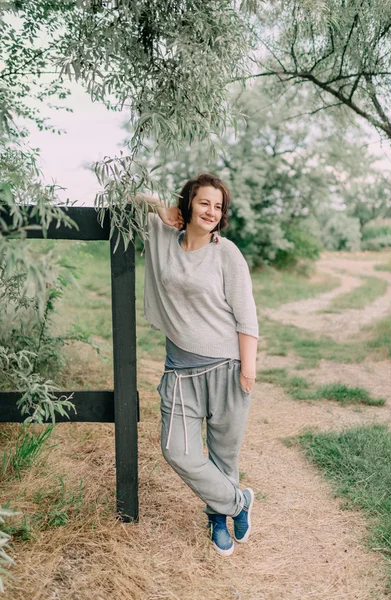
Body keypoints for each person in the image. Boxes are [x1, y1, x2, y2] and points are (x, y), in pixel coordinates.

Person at [140, 172, 258, 556]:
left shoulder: (227, 253)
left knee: (224, 456)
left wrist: (248, 370)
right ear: (188, 202)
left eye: (218, 206)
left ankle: (217, 521)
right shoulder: (162, 237)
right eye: (204, 202)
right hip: (180, 371)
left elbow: (246, 316)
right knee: (177, 451)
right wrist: (161, 207)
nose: (211, 211)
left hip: (227, 367)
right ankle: (238, 503)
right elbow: (131, 195)